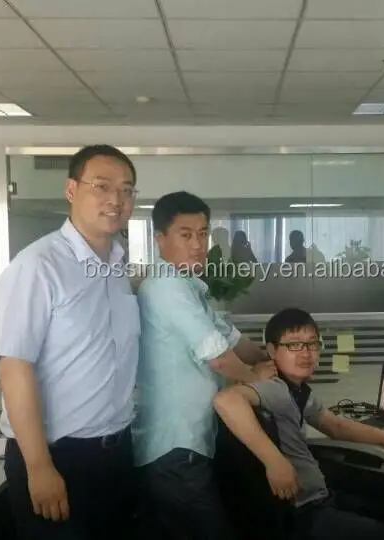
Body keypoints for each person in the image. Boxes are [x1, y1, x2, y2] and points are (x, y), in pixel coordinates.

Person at [0, 145, 141, 540]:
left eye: (126, 190)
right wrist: (39, 467)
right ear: (71, 190)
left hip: (116, 453)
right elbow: (14, 367)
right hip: (57, 457)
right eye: (102, 186)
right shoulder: (37, 266)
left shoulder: (117, 266)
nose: (116, 199)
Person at [134, 191, 277, 540]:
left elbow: (231, 340)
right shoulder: (166, 287)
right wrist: (258, 381)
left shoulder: (188, 287)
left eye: (202, 233)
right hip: (174, 447)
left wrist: (271, 358)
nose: (198, 244)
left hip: (190, 444)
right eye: (186, 235)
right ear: (160, 238)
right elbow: (219, 358)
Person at [214, 307, 384, 540]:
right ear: (272, 351)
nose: (306, 353)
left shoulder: (296, 390)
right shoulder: (275, 388)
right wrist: (275, 462)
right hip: (303, 513)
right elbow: (226, 400)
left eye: (312, 344)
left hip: (318, 498)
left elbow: (334, 426)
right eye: (294, 345)